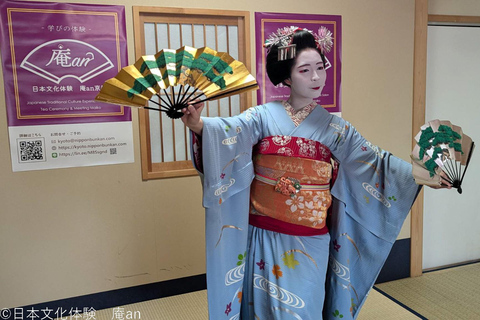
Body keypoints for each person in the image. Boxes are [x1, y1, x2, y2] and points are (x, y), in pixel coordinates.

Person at [181, 27, 447, 320]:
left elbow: (375, 162)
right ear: (286, 76)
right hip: (262, 232)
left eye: (320, 68)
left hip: (310, 238)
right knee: (262, 309)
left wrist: (423, 176)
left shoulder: (335, 128)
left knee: (302, 309)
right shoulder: (261, 116)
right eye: (305, 70)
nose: (317, 77)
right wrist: (198, 125)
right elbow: (228, 133)